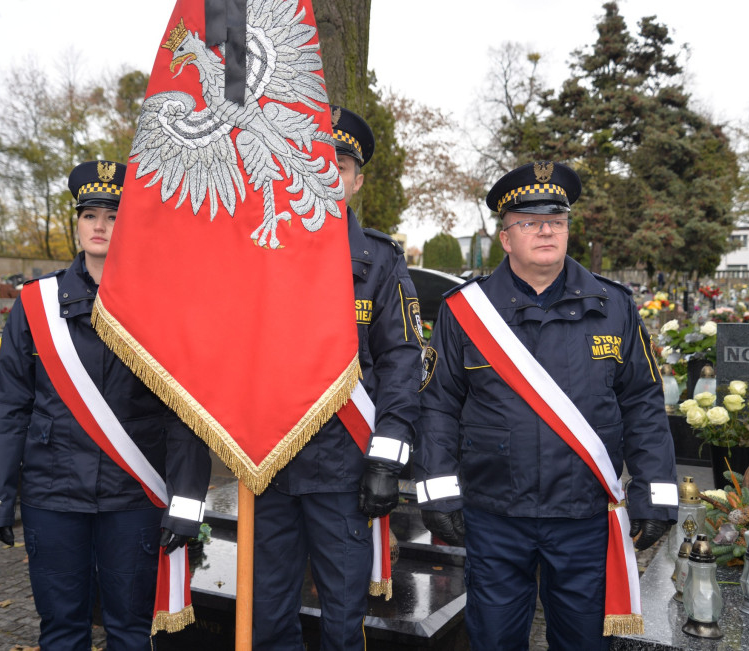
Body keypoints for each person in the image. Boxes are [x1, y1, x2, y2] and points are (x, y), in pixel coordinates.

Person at [413, 161, 678, 649]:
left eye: (555, 221)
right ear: (506, 237)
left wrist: (656, 491)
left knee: (581, 641)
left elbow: (642, 402)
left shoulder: (613, 306)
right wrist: (438, 493)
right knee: (493, 639)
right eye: (529, 222)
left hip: (582, 515)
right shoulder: (464, 311)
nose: (545, 231)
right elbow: (438, 408)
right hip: (495, 515)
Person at [0, 160, 212, 649]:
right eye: (90, 215)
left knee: (129, 629)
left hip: (133, 498)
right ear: (77, 223)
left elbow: (185, 414)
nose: (100, 225)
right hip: (53, 496)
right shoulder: (34, 305)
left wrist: (186, 504)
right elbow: (7, 404)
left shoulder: (162, 307)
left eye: (113, 215)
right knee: (61, 629)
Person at [252, 106, 423, 651]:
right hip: (267, 466)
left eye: (340, 165)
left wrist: (385, 461)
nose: (326, 174)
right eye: (313, 161)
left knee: (344, 624)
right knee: (268, 619)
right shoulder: (258, 250)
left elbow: (402, 361)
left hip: (344, 470)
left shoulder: (381, 261)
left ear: (355, 180)